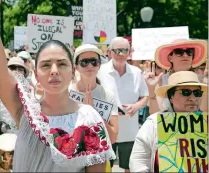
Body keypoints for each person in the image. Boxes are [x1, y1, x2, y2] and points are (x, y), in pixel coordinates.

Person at [0, 0, 115, 172]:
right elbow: (0, 69)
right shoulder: (25, 110)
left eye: (62, 64)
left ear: (73, 71)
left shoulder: (90, 119)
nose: (54, 71)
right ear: (35, 72)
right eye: (46, 65)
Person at [129, 71, 207, 172]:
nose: (193, 98)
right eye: (185, 92)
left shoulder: (207, 123)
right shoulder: (154, 123)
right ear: (171, 97)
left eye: (197, 93)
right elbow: (139, 160)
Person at [97, 37, 149, 173]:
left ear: (130, 52)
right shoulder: (100, 71)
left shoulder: (136, 72)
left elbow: (145, 96)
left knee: (129, 166)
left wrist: (136, 106)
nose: (121, 54)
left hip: (130, 129)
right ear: (109, 52)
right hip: (106, 129)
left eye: (124, 50)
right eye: (117, 50)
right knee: (105, 167)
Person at [70, 44, 119, 144]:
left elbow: (113, 138)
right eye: (84, 62)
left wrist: (93, 112)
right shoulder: (67, 93)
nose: (90, 66)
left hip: (99, 154)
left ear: (99, 65)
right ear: (76, 67)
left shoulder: (108, 95)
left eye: (94, 62)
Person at [145, 39, 207, 114]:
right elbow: (156, 115)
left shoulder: (201, 80)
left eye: (189, 52)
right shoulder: (160, 80)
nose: (185, 55)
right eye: (179, 52)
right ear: (170, 58)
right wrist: (152, 92)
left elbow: (204, 113)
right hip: (168, 125)